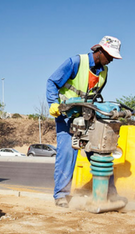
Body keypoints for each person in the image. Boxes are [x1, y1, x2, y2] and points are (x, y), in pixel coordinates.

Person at [46, 36, 122, 208]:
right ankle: (61, 196)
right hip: (66, 116)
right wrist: (53, 104)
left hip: (88, 116)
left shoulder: (104, 71)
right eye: (109, 56)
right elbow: (52, 82)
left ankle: (110, 194)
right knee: (67, 154)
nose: (111, 60)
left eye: (113, 57)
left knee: (100, 153)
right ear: (99, 51)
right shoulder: (75, 62)